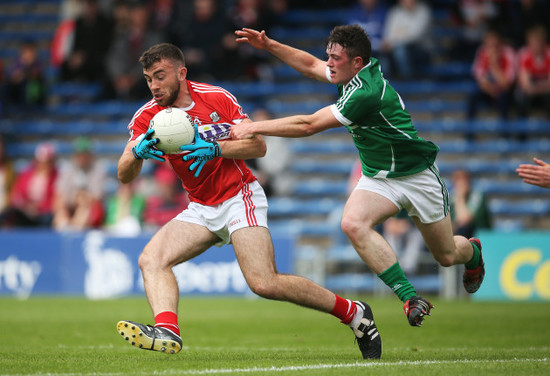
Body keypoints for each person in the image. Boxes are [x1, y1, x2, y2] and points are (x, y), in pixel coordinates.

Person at [115, 42, 381, 359]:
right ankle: (168, 330)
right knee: (151, 260)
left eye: (160, 76)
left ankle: (354, 313)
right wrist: (136, 154)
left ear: (181, 72)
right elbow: (124, 174)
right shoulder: (148, 116)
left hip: (239, 196)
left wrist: (217, 148)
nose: (154, 86)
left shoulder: (216, 98)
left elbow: (258, 147)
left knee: (263, 282)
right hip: (201, 206)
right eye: (148, 79)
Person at [231, 25, 485, 327]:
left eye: (335, 58)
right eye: (329, 55)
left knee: (446, 254)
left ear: (357, 62)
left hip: (417, 176)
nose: (328, 63)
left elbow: (309, 125)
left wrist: (254, 126)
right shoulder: (348, 73)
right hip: (378, 177)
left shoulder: (365, 92)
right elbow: (311, 65)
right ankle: (408, 296)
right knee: (352, 222)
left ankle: (473, 254)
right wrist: (270, 44)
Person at [53, 136, 106, 231]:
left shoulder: (97, 171)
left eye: (85, 154)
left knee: (83, 210)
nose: (82, 158)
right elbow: (60, 194)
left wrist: (81, 198)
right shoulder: (68, 170)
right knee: (60, 213)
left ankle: (75, 230)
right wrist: (70, 202)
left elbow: (97, 198)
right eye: (80, 154)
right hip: (69, 207)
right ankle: (65, 231)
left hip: (89, 209)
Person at [0, 142, 58, 228]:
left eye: (47, 162)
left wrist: (39, 208)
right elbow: (17, 195)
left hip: (45, 214)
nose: (44, 165)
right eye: (41, 161)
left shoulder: (56, 176)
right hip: (26, 213)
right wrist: (26, 206)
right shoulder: (26, 175)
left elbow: (55, 199)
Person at [466, 28, 516, 121]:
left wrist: (494, 65)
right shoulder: (482, 51)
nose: (492, 49)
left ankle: (505, 131)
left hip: (505, 91)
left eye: (495, 45)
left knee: (503, 97)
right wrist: (491, 89)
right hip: (489, 89)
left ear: (500, 44)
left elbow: (507, 84)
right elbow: (479, 77)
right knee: (472, 94)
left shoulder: (508, 52)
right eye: (489, 45)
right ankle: (469, 132)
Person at [515, 25, 550, 118]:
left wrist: (536, 88)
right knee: (520, 95)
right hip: (533, 88)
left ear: (544, 42)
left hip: (543, 89)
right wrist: (534, 88)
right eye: (533, 42)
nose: (536, 45)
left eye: (538, 42)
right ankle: (521, 129)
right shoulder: (524, 54)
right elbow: (525, 84)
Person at [449, 169, 491, 240]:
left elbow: (465, 220)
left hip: (479, 235)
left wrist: (461, 198)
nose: (460, 185)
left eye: (463, 181)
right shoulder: (451, 197)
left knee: (463, 230)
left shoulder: (477, 196)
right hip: (459, 233)